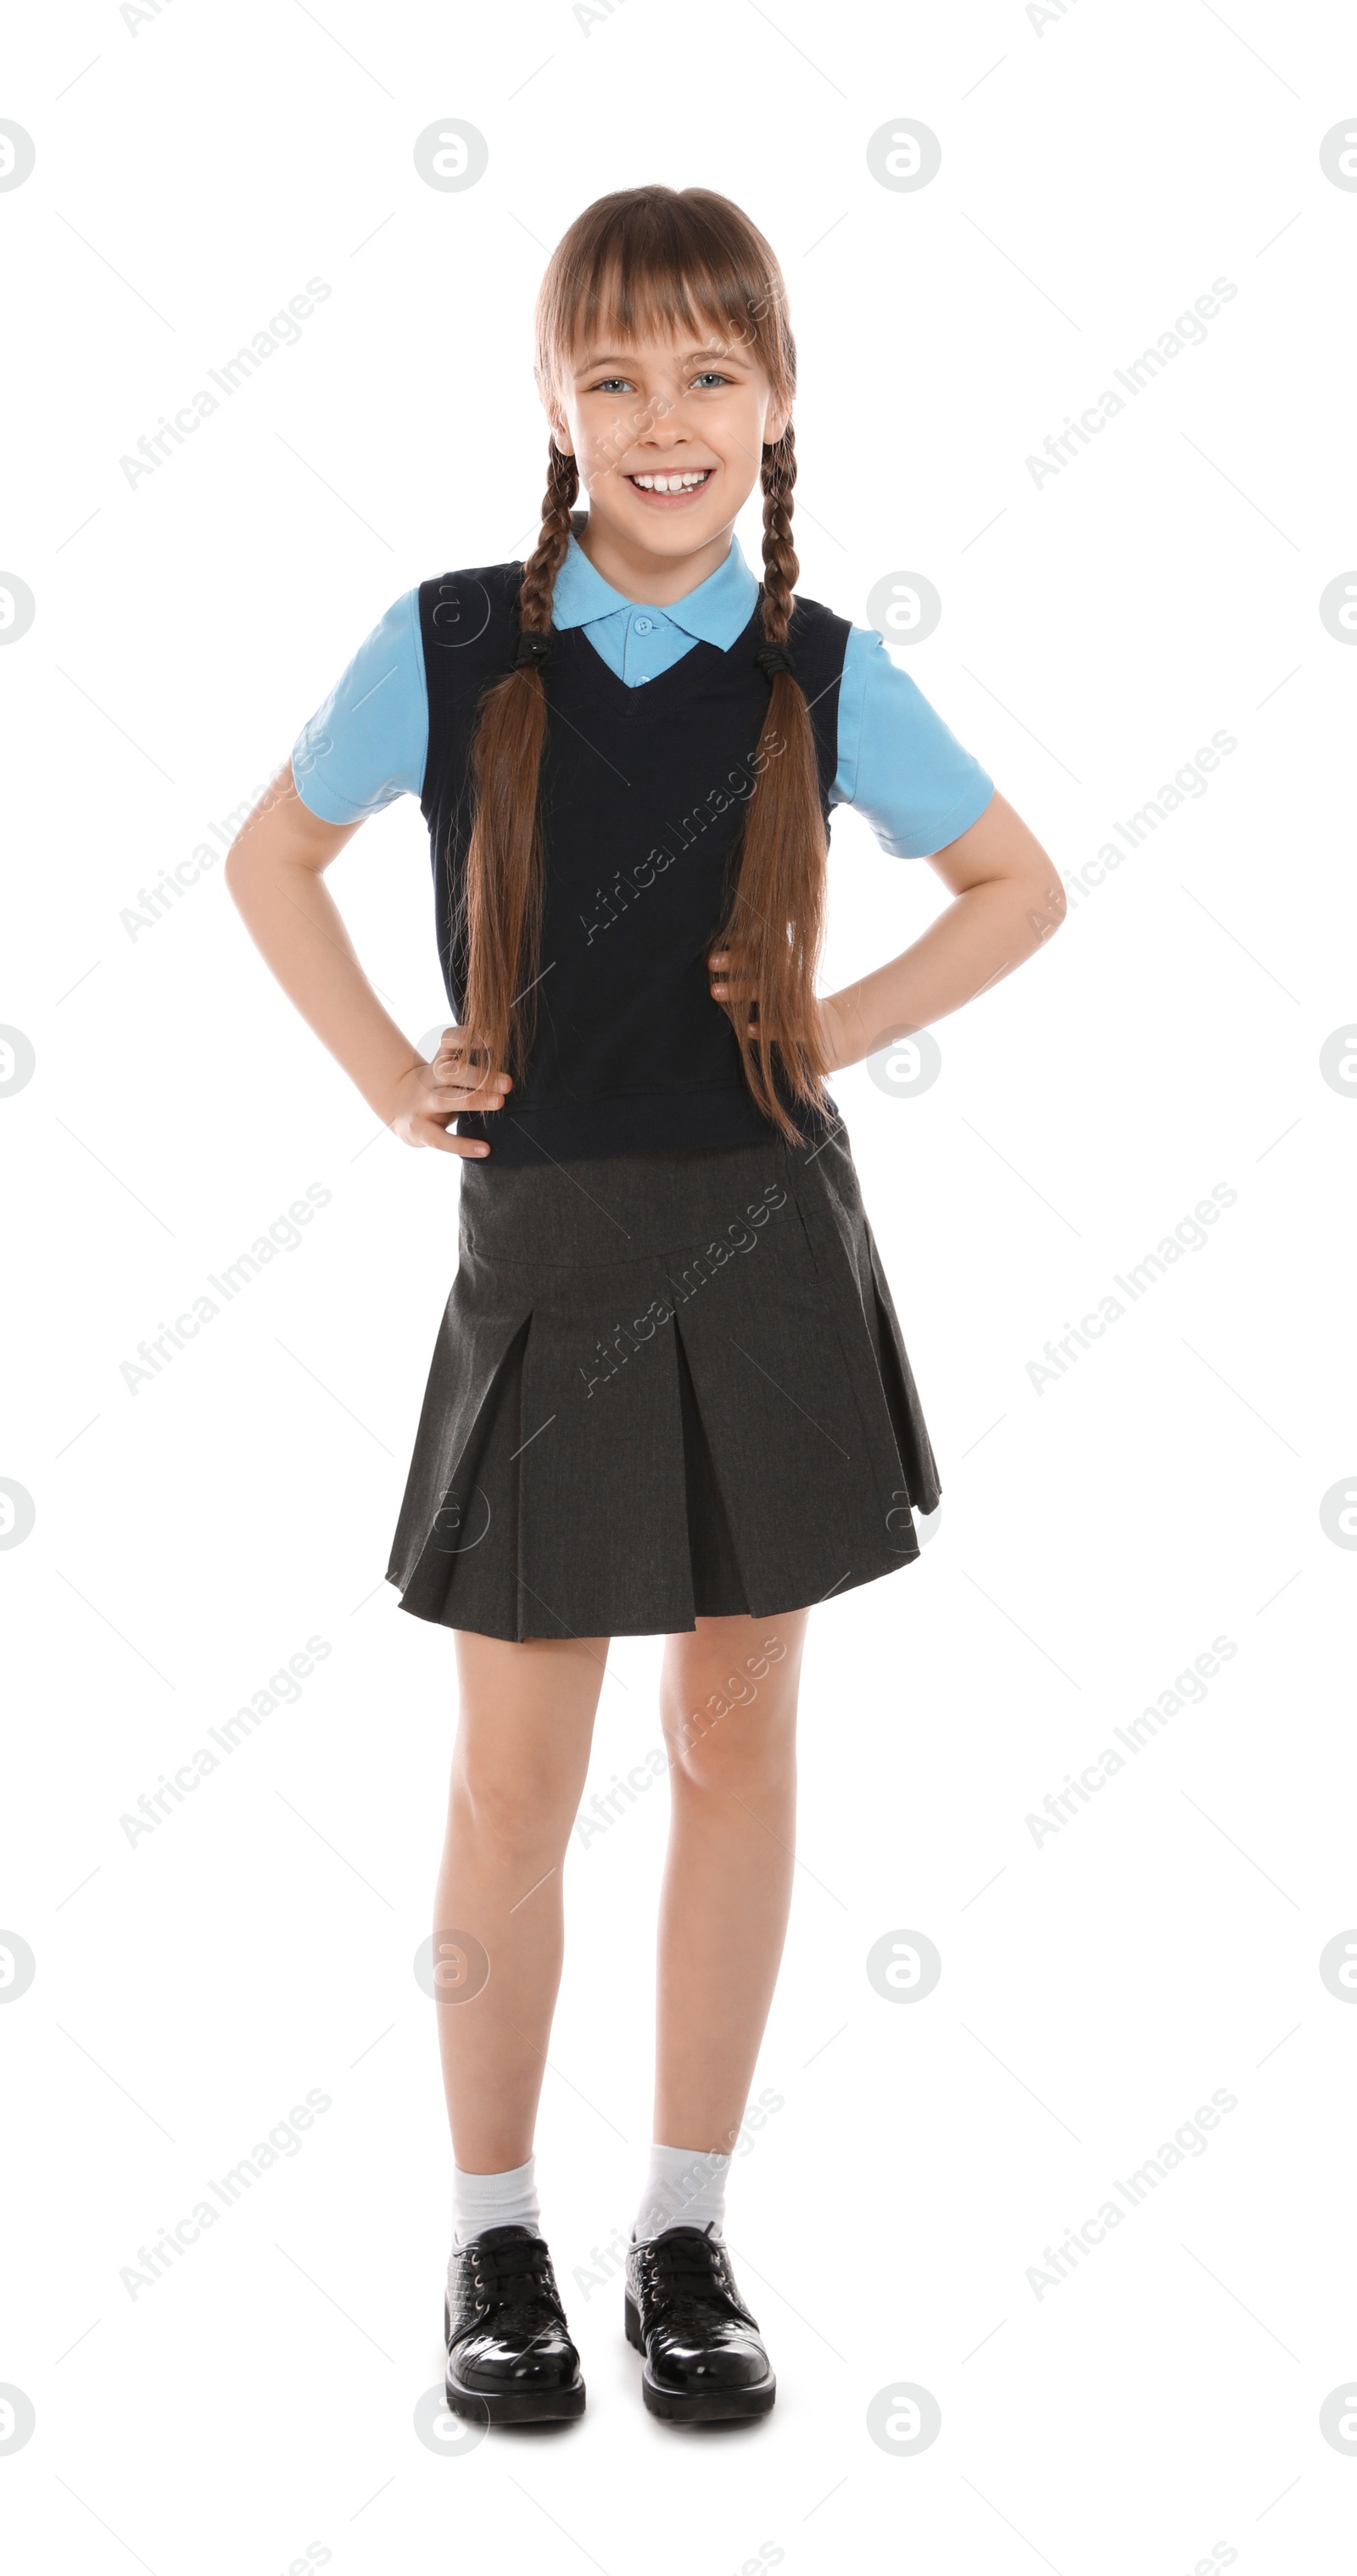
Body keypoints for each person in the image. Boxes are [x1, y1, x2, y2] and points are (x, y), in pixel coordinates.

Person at [226, 183, 1064, 2428]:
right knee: (519, 1768)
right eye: (617, 375)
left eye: (710, 373)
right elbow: (266, 860)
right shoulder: (450, 643)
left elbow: (1019, 883)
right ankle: (492, 2236)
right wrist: (398, 1072)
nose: (663, 420)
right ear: (555, 400)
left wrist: (826, 1017)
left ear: (777, 404)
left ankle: (685, 2228)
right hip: (553, 1248)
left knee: (738, 1735)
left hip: (772, 1244)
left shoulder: (819, 673)